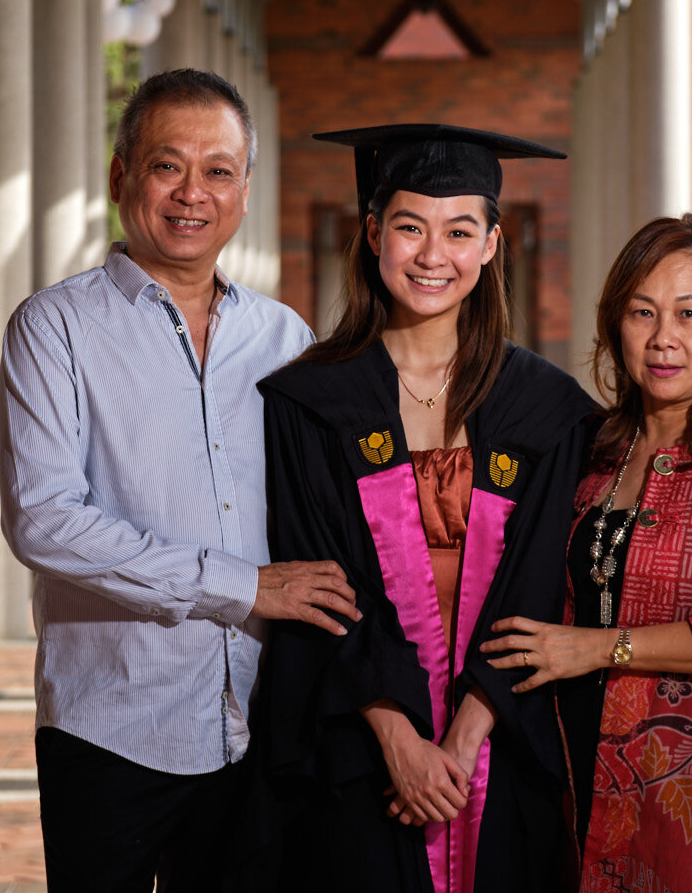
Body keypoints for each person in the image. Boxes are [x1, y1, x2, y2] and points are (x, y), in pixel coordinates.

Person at [0, 69, 361, 893]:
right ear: (122, 175)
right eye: (168, 166)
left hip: (258, 721)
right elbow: (44, 519)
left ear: (243, 189)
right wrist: (241, 587)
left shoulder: (284, 338)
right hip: (113, 723)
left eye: (218, 170)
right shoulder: (56, 328)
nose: (193, 192)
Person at [254, 124, 600, 893]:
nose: (432, 254)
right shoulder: (309, 403)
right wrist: (400, 738)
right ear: (373, 233)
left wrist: (468, 735)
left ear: (492, 245)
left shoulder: (546, 410)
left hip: (502, 742)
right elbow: (319, 587)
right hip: (359, 741)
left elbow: (539, 582)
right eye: (410, 227)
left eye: (459, 230)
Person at [482, 214, 692, 892]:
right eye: (643, 312)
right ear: (616, 326)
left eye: (690, 314)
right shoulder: (592, 450)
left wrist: (600, 648)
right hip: (573, 764)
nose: (664, 337)